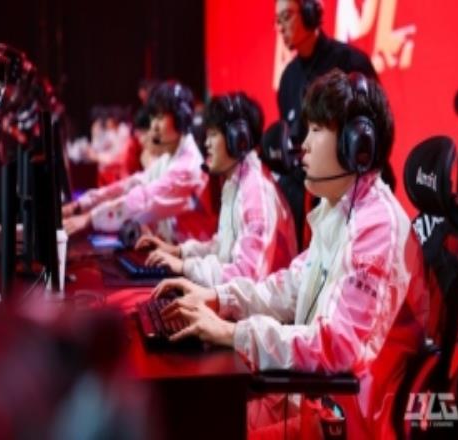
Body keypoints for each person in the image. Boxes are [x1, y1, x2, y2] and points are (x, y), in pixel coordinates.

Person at [153, 70, 429, 439]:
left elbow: (338, 346)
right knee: (188, 415)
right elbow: (291, 286)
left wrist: (233, 332)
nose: (304, 145)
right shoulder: (338, 208)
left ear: (356, 145)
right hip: (309, 399)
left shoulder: (377, 226)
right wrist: (218, 298)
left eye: (316, 130)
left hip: (346, 421)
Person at [137, 93, 297, 287]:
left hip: (256, 304)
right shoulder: (236, 182)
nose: (206, 144)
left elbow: (246, 275)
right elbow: (224, 249)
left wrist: (185, 267)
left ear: (238, 139)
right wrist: (179, 252)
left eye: (213, 135)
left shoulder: (255, 192)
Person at [275, 0, 377, 250]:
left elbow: (372, 134)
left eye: (286, 16)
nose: (281, 27)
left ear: (310, 12)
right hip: (306, 192)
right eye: (277, 21)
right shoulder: (288, 78)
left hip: (350, 192)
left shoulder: (350, 62)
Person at [63, 81, 216, 243]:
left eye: (160, 117)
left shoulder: (187, 166)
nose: (154, 126)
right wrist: (81, 205)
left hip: (190, 254)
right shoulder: (169, 158)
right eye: (153, 117)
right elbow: (132, 184)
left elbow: (144, 199)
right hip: (173, 249)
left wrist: (89, 219)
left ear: (181, 119)